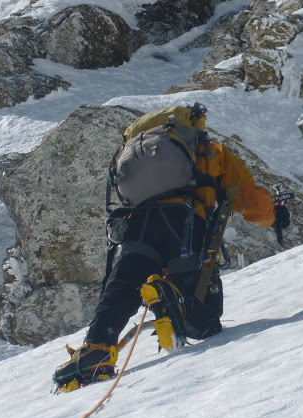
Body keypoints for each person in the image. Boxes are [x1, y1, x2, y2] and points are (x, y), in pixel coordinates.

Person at [53, 103, 291, 390]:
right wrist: (276, 215)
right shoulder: (209, 150)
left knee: (122, 287)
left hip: (137, 225)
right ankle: (168, 293)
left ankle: (97, 348)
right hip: (185, 222)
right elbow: (250, 199)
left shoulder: (133, 150)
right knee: (203, 323)